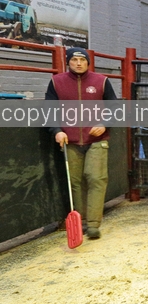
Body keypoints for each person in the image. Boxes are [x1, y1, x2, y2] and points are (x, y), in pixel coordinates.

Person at [46, 47, 118, 240]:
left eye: (82, 60)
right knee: (75, 182)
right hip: (70, 140)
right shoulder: (56, 82)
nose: (78, 63)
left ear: (88, 62)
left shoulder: (101, 81)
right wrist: (57, 130)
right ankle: (81, 222)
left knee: (96, 178)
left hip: (97, 140)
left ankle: (93, 224)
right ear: (68, 62)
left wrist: (104, 124)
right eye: (74, 60)